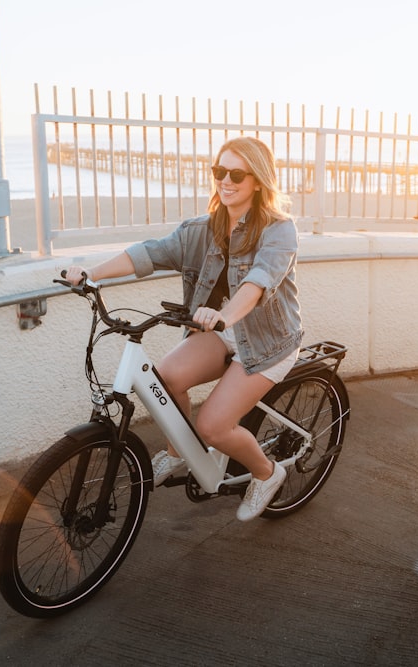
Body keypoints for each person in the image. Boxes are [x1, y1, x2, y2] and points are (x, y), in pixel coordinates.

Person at [61, 136, 302, 522]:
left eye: (236, 174)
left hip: (265, 341)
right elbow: (149, 253)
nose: (225, 180)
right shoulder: (201, 230)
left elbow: (258, 282)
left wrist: (225, 315)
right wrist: (92, 273)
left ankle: (267, 473)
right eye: (219, 171)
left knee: (213, 427)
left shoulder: (278, 230)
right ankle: (177, 454)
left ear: (257, 180)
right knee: (165, 379)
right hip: (220, 331)